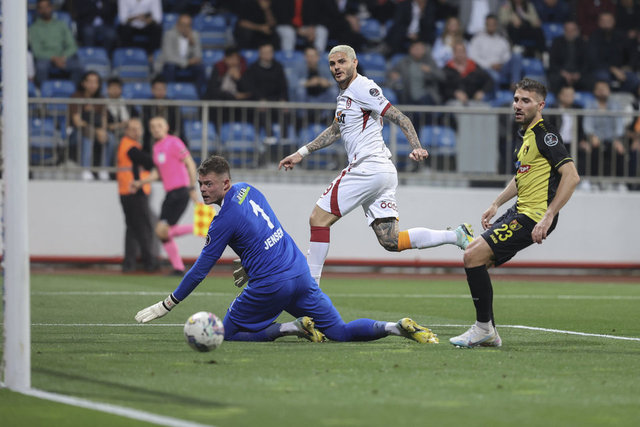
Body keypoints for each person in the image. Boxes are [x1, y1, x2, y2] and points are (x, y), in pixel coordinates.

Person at [134, 155, 438, 345]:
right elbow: (262, 230)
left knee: (225, 333)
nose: (203, 190)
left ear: (225, 184)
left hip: (271, 284)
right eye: (200, 184)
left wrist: (168, 304)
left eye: (209, 184)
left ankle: (290, 328)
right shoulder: (248, 189)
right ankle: (395, 327)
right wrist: (248, 263)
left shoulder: (222, 220)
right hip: (299, 273)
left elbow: (200, 270)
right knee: (340, 332)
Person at [278, 45, 473, 285]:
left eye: (342, 62)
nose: (336, 67)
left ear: (354, 63)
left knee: (318, 219)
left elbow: (400, 117)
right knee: (391, 240)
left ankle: (310, 290)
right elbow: (335, 130)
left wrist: (416, 146)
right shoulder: (345, 95)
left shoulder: (362, 87)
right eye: (332, 64)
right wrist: (302, 153)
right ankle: (456, 236)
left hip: (367, 167)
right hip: (381, 171)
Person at [450, 78, 580, 348]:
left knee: (472, 255)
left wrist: (549, 215)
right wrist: (496, 203)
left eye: (525, 101)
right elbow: (522, 177)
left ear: (540, 105)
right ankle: (488, 331)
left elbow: (571, 176)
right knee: (476, 260)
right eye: (516, 99)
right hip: (518, 210)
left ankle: (483, 329)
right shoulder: (526, 137)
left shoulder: (546, 135)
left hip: (534, 216)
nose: (518, 105)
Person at [132, 116, 199, 275]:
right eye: (153, 126)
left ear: (167, 127)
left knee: (161, 231)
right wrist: (141, 182)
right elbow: (157, 172)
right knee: (163, 233)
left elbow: (190, 163)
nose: (156, 129)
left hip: (180, 191)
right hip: (170, 193)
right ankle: (178, 267)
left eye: (159, 125)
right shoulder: (156, 147)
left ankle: (201, 229)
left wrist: (192, 187)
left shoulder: (174, 142)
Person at [117, 118, 158, 273]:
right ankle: (149, 262)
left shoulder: (131, 146)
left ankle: (129, 263)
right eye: (133, 129)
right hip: (134, 191)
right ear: (126, 131)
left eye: (138, 128)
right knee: (144, 227)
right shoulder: (129, 147)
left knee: (133, 228)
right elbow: (148, 161)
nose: (136, 132)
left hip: (127, 191)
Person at [69, 70, 112, 181]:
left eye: (95, 82)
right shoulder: (76, 97)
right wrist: (96, 130)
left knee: (110, 138)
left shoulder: (101, 99)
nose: (93, 85)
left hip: (96, 130)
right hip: (77, 132)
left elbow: (104, 119)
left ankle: (104, 168)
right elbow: (77, 121)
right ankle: (85, 169)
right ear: (84, 83)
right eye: (90, 82)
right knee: (88, 134)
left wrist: (102, 130)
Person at [29, 0, 83, 86]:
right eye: (42, 8)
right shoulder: (34, 28)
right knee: (41, 67)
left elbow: (72, 45)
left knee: (78, 66)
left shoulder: (61, 25)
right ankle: (43, 91)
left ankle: (72, 90)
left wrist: (63, 57)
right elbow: (37, 51)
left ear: (51, 7)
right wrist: (53, 58)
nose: (45, 10)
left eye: (47, 7)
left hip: (63, 57)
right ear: (38, 10)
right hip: (46, 58)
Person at [582, 80, 626, 179]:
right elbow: (587, 124)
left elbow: (619, 124)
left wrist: (617, 140)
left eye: (604, 89)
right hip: (595, 138)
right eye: (599, 89)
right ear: (594, 91)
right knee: (593, 150)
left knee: (619, 150)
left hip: (612, 139)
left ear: (609, 91)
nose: (601, 91)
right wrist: (592, 136)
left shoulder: (615, 105)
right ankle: (593, 181)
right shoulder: (590, 105)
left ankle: (619, 182)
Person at [157, 13, 207, 97]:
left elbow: (198, 56)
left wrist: (192, 42)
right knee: (170, 67)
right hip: (174, 64)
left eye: (188, 25)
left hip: (189, 65)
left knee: (200, 68)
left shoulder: (194, 35)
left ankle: (198, 95)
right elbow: (168, 56)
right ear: (177, 24)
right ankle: (169, 95)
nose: (185, 28)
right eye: (182, 25)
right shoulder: (169, 34)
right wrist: (187, 62)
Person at [468, 14, 522, 90]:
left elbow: (507, 56)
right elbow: (473, 57)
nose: (491, 26)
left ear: (496, 25)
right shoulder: (477, 39)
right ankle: (496, 95)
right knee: (494, 76)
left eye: (493, 24)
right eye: (489, 24)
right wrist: (490, 65)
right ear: (485, 24)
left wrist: (500, 64)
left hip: (501, 68)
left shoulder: (502, 40)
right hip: (485, 69)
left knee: (517, 56)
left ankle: (515, 85)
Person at [386, 40, 444, 106]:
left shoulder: (429, 62)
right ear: (411, 50)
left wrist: (430, 70)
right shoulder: (404, 62)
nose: (419, 51)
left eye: (422, 49)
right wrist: (393, 74)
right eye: (417, 49)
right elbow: (390, 72)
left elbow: (442, 76)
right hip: (408, 96)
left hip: (426, 97)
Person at [442, 40, 494, 106]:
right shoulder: (447, 69)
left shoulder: (474, 67)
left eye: (462, 51)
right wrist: (454, 93)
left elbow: (490, 81)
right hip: (454, 101)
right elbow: (442, 88)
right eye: (458, 51)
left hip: (474, 101)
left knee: (486, 108)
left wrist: (482, 92)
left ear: (465, 52)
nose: (460, 54)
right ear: (454, 53)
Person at [547, 21, 589, 94]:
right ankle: (557, 100)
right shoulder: (557, 42)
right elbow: (552, 62)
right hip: (561, 73)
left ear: (577, 31)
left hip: (578, 73)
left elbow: (586, 62)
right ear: (564, 31)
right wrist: (564, 73)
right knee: (554, 79)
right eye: (567, 30)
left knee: (589, 81)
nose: (570, 32)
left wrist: (578, 74)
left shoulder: (583, 43)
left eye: (572, 30)